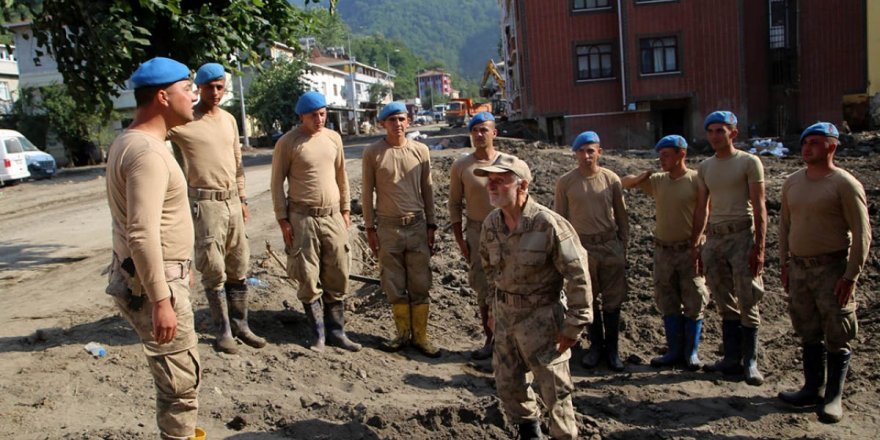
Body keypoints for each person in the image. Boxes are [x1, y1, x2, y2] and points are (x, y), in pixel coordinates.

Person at [104, 57, 202, 439]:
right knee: (179, 386)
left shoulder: (130, 142)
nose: (193, 97)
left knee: (177, 378)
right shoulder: (147, 153)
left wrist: (182, 266)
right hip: (153, 286)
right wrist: (162, 298)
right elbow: (141, 232)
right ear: (163, 96)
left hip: (152, 276)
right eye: (187, 89)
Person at [478, 154, 592, 440]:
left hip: (543, 320)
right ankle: (531, 433)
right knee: (508, 385)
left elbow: (578, 275)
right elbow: (491, 270)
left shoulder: (548, 224)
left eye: (500, 181)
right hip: (506, 319)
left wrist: (573, 326)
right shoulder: (491, 224)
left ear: (522, 185)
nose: (492, 187)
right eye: (489, 181)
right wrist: (493, 310)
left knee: (556, 391)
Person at [168, 62, 264, 353]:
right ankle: (222, 331)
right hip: (205, 204)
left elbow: (237, 164)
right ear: (199, 88)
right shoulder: (183, 121)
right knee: (214, 267)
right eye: (209, 86)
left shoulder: (229, 120)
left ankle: (241, 325)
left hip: (232, 200)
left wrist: (243, 198)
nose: (215, 92)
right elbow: (156, 136)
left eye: (220, 86)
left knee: (238, 264)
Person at [778, 122, 871, 423]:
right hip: (800, 269)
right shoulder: (792, 181)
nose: (807, 148)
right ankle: (811, 388)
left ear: (831, 146)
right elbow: (785, 226)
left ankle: (833, 397)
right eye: (805, 143)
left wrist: (851, 276)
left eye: (815, 143)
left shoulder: (844, 184)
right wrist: (784, 263)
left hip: (832, 270)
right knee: (807, 329)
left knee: (837, 331)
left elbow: (862, 234)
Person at [270, 91, 360, 352]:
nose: (319, 119)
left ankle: (337, 331)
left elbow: (342, 176)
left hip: (332, 216)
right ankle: (318, 334)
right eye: (313, 115)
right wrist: (282, 219)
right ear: (302, 116)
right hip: (302, 218)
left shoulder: (333, 139)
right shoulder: (288, 143)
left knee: (339, 271)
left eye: (322, 114)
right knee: (308, 277)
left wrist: (345, 210)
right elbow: (276, 183)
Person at [621, 135, 710, 370]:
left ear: (682, 154)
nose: (662, 160)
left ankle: (691, 353)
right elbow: (625, 183)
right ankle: (673, 351)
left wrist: (697, 242)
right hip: (663, 250)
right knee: (667, 299)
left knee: (694, 298)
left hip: (688, 249)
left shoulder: (696, 180)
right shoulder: (658, 181)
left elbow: (704, 212)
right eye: (660, 155)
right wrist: (643, 176)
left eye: (667, 155)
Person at [692, 111, 767, 386]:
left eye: (720, 131)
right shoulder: (705, 167)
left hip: (741, 236)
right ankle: (731, 358)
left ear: (733, 133)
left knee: (747, 297)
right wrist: (696, 243)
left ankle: (751, 361)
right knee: (723, 299)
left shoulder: (749, 162)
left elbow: (760, 206)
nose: (714, 136)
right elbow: (702, 207)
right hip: (715, 238)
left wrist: (759, 247)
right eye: (710, 131)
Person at [362, 102, 440, 358]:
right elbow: (366, 193)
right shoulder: (373, 153)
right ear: (383, 124)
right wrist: (370, 228)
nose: (397, 124)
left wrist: (431, 224)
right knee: (393, 282)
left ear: (408, 122)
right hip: (388, 227)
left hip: (416, 226)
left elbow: (427, 190)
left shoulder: (420, 151)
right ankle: (402, 334)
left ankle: (421, 336)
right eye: (392, 120)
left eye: (401, 119)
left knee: (420, 282)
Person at [554, 131, 629, 371]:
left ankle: (613, 350)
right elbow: (560, 220)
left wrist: (622, 245)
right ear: (575, 154)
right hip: (581, 248)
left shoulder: (611, 179)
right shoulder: (565, 182)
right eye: (581, 151)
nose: (586, 156)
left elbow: (622, 215)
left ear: (599, 152)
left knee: (613, 300)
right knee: (589, 299)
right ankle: (595, 347)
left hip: (609, 246)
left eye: (591, 150)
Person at [448, 111, 514, 360]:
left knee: (511, 284)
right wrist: (460, 239)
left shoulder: (508, 163)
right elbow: (454, 204)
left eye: (484, 129)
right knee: (483, 287)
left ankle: (511, 339)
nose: (479, 134)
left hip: (507, 230)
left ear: (494, 133)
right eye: (474, 130)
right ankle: (490, 340)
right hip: (477, 232)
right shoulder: (462, 166)